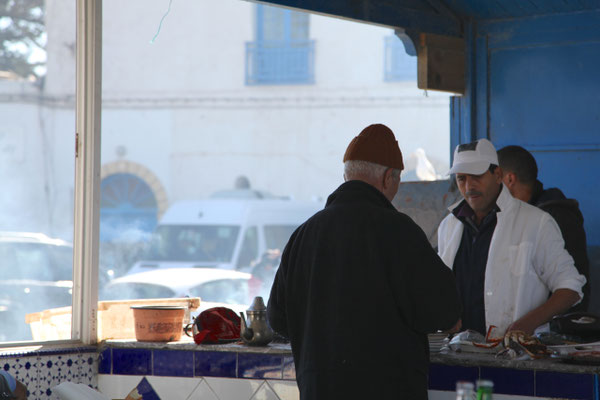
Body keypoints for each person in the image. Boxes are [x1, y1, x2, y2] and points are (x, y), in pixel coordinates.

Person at [267, 124, 462, 400]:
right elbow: (444, 312)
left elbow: (278, 320)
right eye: (398, 180)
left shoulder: (304, 235)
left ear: (346, 176)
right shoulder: (399, 232)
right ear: (387, 178)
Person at [437, 139, 586, 336]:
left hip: (518, 355)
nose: (469, 186)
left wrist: (529, 323)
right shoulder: (448, 226)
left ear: (497, 175)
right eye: (461, 178)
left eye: (477, 176)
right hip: (459, 351)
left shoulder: (536, 222)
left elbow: (571, 288)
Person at [497, 145, 590, 312]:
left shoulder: (551, 217)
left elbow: (571, 289)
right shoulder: (528, 211)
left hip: (556, 327)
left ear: (509, 179)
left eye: (496, 179)